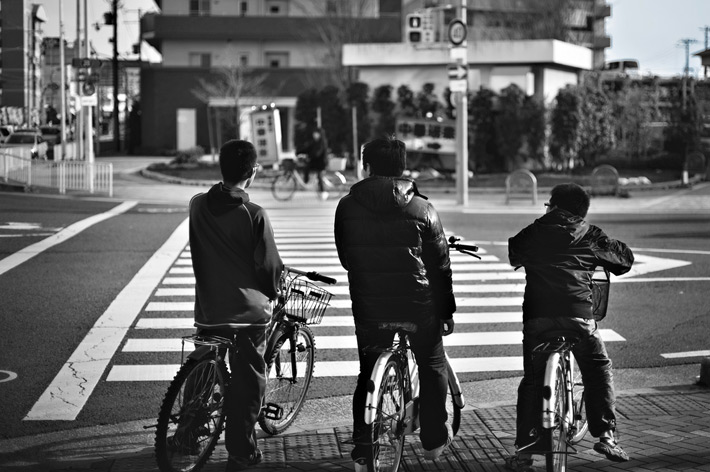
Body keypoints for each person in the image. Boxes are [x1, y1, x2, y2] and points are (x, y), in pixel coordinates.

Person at [334, 136, 457, 470]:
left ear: (367, 166)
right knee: (432, 365)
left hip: (370, 306)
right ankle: (432, 440)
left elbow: (347, 259)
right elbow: (440, 267)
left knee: (367, 372)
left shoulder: (346, 206)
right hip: (418, 307)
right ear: (403, 167)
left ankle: (363, 448)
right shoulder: (423, 208)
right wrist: (446, 310)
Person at [505, 183, 634, 472]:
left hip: (537, 317)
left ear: (554, 206)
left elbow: (515, 252)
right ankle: (606, 436)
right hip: (578, 315)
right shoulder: (590, 234)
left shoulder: (534, 230)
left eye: (548, 204)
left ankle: (525, 453)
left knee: (533, 380)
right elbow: (624, 260)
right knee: (597, 366)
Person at [188, 139, 283, 471]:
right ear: (253, 172)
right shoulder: (253, 214)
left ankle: (187, 433)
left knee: (202, 362)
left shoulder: (197, 205)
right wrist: (275, 290)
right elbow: (269, 268)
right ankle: (241, 452)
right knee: (248, 379)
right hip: (247, 315)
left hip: (209, 309)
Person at [298, 127, 329, 200]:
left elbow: (317, 153)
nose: (314, 134)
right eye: (314, 133)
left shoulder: (322, 142)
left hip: (321, 163)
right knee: (306, 167)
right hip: (315, 162)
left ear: (320, 134)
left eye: (316, 133)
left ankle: (323, 191)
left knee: (319, 175)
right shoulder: (315, 142)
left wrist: (309, 156)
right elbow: (308, 149)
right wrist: (299, 152)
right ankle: (306, 181)